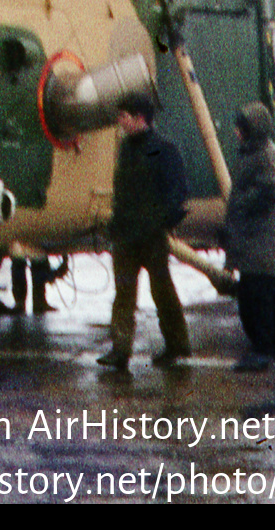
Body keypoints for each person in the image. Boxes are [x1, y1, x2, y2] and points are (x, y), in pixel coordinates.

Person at [97, 93, 190, 370]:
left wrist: (162, 222)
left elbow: (178, 193)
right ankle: (120, 350)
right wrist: (115, 225)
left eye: (124, 116)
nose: (120, 121)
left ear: (140, 118)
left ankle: (178, 344)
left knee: (162, 291)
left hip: (151, 237)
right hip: (125, 235)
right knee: (124, 294)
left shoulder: (162, 149)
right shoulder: (126, 148)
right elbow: (123, 192)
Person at [224, 103, 275, 371]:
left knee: (256, 302)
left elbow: (272, 191)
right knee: (265, 300)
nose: (236, 132)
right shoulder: (254, 152)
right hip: (258, 242)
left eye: (241, 128)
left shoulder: (264, 155)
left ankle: (263, 350)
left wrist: (242, 203)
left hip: (263, 242)